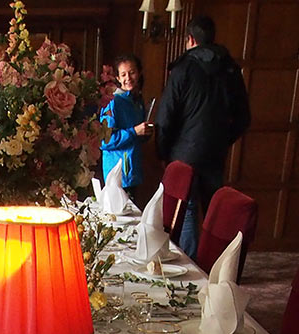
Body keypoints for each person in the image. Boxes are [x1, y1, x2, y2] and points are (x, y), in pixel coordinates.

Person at [154, 16, 250, 258]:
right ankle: (212, 269)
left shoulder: (184, 68)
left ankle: (191, 272)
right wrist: (222, 140)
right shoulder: (230, 67)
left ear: (190, 39)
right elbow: (244, 117)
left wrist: (163, 153)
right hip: (215, 153)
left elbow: (165, 116)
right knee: (213, 215)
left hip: (183, 154)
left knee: (185, 212)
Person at [100, 55, 151, 202]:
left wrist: (146, 132)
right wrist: (134, 131)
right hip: (117, 175)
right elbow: (105, 140)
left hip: (133, 172)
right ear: (117, 77)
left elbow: (137, 137)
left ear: (139, 73)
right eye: (123, 74)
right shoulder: (112, 102)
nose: (128, 78)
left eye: (132, 72)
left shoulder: (137, 101)